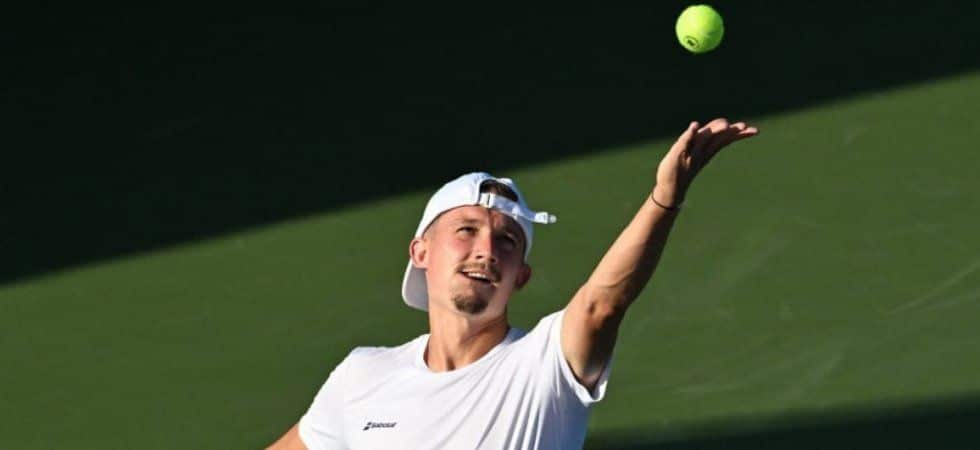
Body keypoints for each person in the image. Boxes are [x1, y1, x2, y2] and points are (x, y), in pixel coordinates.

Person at [268, 119, 758, 450]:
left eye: (507, 241)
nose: (486, 249)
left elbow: (602, 304)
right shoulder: (362, 376)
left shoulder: (545, 364)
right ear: (420, 252)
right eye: (466, 230)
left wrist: (664, 200)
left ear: (520, 276)